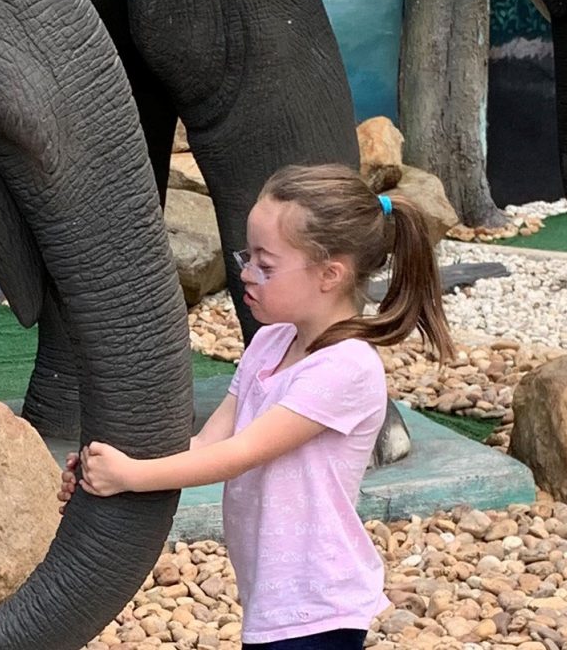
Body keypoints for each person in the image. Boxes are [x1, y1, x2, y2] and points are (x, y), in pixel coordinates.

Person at [58, 163, 456, 650]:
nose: (245, 273)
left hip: (319, 606)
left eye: (265, 265)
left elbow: (241, 453)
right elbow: (207, 442)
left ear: (330, 274)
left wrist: (131, 476)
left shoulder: (347, 368)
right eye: (247, 256)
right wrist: (111, 468)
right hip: (273, 599)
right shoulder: (270, 343)